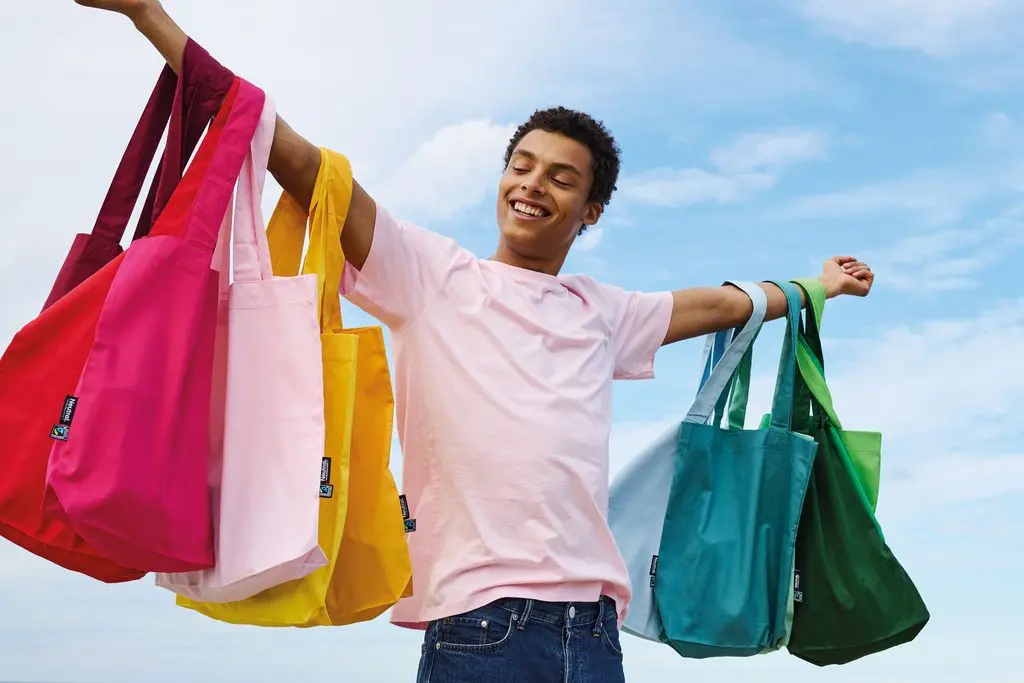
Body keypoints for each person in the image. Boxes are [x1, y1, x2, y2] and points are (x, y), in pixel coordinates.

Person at [73, 2, 876, 681]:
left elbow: (712, 304)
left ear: (591, 210)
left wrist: (812, 288)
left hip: (595, 632)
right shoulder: (431, 275)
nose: (532, 183)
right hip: (480, 628)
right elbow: (304, 165)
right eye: (521, 166)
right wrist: (153, 19)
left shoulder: (601, 311)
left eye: (562, 177)